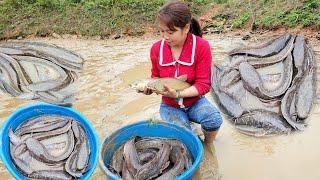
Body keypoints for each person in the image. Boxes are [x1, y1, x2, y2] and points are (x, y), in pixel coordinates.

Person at [143, 0, 222, 144]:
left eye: (171, 32)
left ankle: (209, 144)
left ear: (186, 28)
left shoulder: (201, 46)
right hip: (169, 105)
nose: (165, 36)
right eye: (162, 31)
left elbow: (204, 85)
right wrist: (150, 87)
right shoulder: (156, 49)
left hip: (195, 102)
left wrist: (178, 94)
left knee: (214, 119)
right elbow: (155, 76)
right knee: (184, 136)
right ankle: (186, 131)